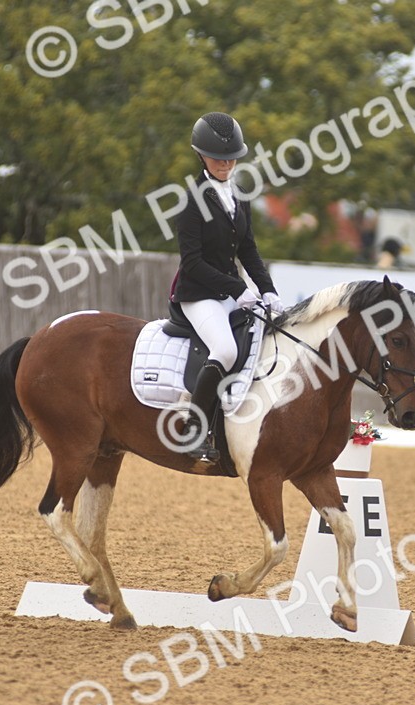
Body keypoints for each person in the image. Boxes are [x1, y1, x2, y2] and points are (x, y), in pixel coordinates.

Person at [170, 112, 284, 463]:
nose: (226, 164)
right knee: (225, 350)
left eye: (231, 158)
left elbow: (247, 250)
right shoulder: (191, 201)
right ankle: (193, 429)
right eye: (218, 158)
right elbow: (192, 262)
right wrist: (237, 288)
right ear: (201, 156)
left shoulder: (239, 196)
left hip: (231, 293)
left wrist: (268, 290)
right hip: (198, 295)